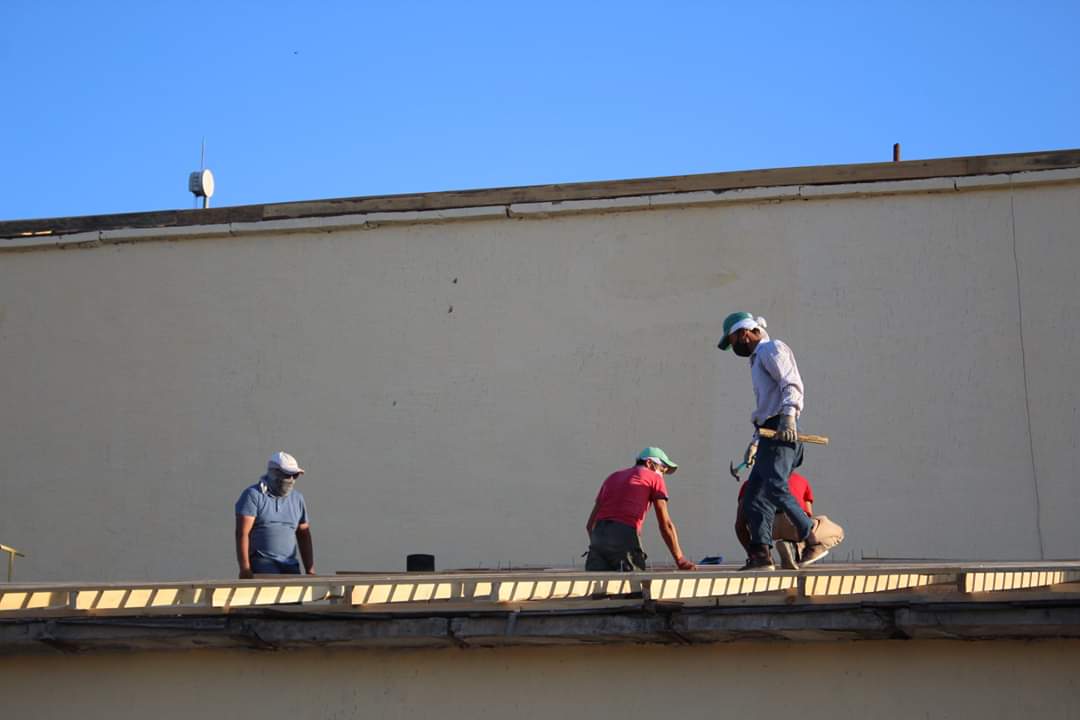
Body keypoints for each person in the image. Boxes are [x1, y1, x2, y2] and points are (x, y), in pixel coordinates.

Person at [717, 312, 829, 570]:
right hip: (769, 432)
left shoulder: (770, 349)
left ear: (744, 333)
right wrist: (756, 442)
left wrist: (789, 417)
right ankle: (761, 556)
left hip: (781, 428)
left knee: (775, 485)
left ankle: (812, 539)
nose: (733, 347)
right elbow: (767, 406)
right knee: (754, 497)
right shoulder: (757, 359)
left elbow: (791, 383)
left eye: (732, 340)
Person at [585, 447, 695, 571]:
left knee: (598, 582)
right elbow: (666, 524)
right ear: (649, 463)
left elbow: (590, 525)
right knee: (634, 582)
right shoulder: (654, 478)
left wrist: (600, 544)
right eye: (662, 469)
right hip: (624, 536)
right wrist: (680, 560)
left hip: (598, 538)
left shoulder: (612, 477)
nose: (662, 475)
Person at [235, 451, 316, 578]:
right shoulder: (253, 495)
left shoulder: (297, 498)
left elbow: (304, 534)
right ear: (273, 473)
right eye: (287, 474)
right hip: (262, 562)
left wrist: (310, 570)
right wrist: (245, 568)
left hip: (290, 564)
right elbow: (242, 533)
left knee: (295, 591)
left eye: (295, 475)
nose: (291, 480)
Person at [735, 471, 814, 569]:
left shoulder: (749, 483)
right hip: (793, 526)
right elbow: (808, 515)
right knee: (823, 523)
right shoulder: (801, 480)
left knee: (752, 518)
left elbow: (740, 523)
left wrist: (754, 554)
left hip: (764, 528)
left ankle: (763, 558)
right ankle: (797, 550)